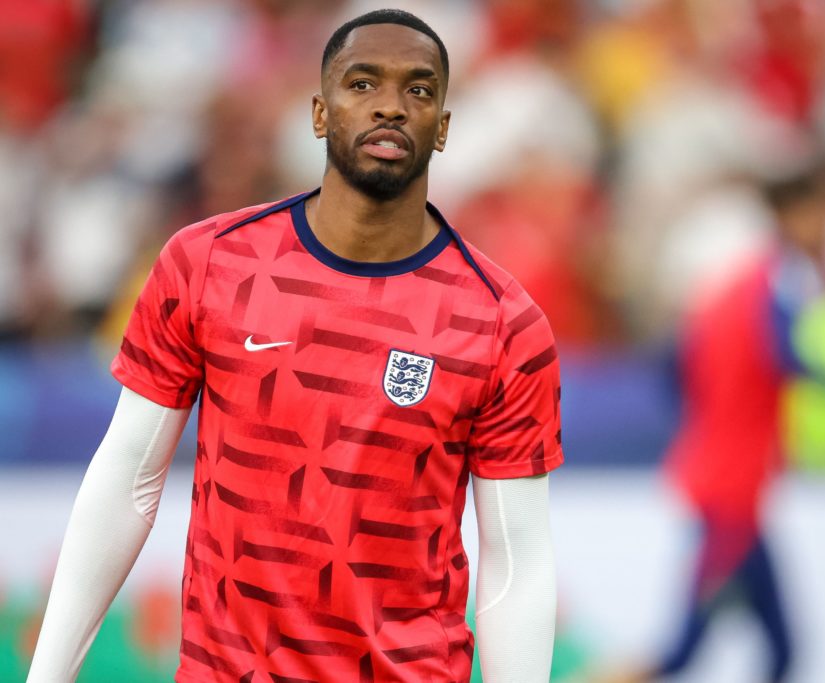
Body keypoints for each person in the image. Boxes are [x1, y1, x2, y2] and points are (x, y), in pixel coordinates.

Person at [27, 9, 562, 683]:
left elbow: (517, 559)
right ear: (318, 112)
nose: (391, 106)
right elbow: (127, 477)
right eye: (362, 84)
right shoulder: (209, 264)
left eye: (419, 90)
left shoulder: (503, 323)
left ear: (445, 128)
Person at [620, 170, 825, 683]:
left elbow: (676, 362)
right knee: (685, 653)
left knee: (780, 652)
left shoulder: (739, 281)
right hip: (731, 498)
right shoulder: (780, 278)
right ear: (789, 216)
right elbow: (786, 356)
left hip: (728, 489)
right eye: (818, 213)